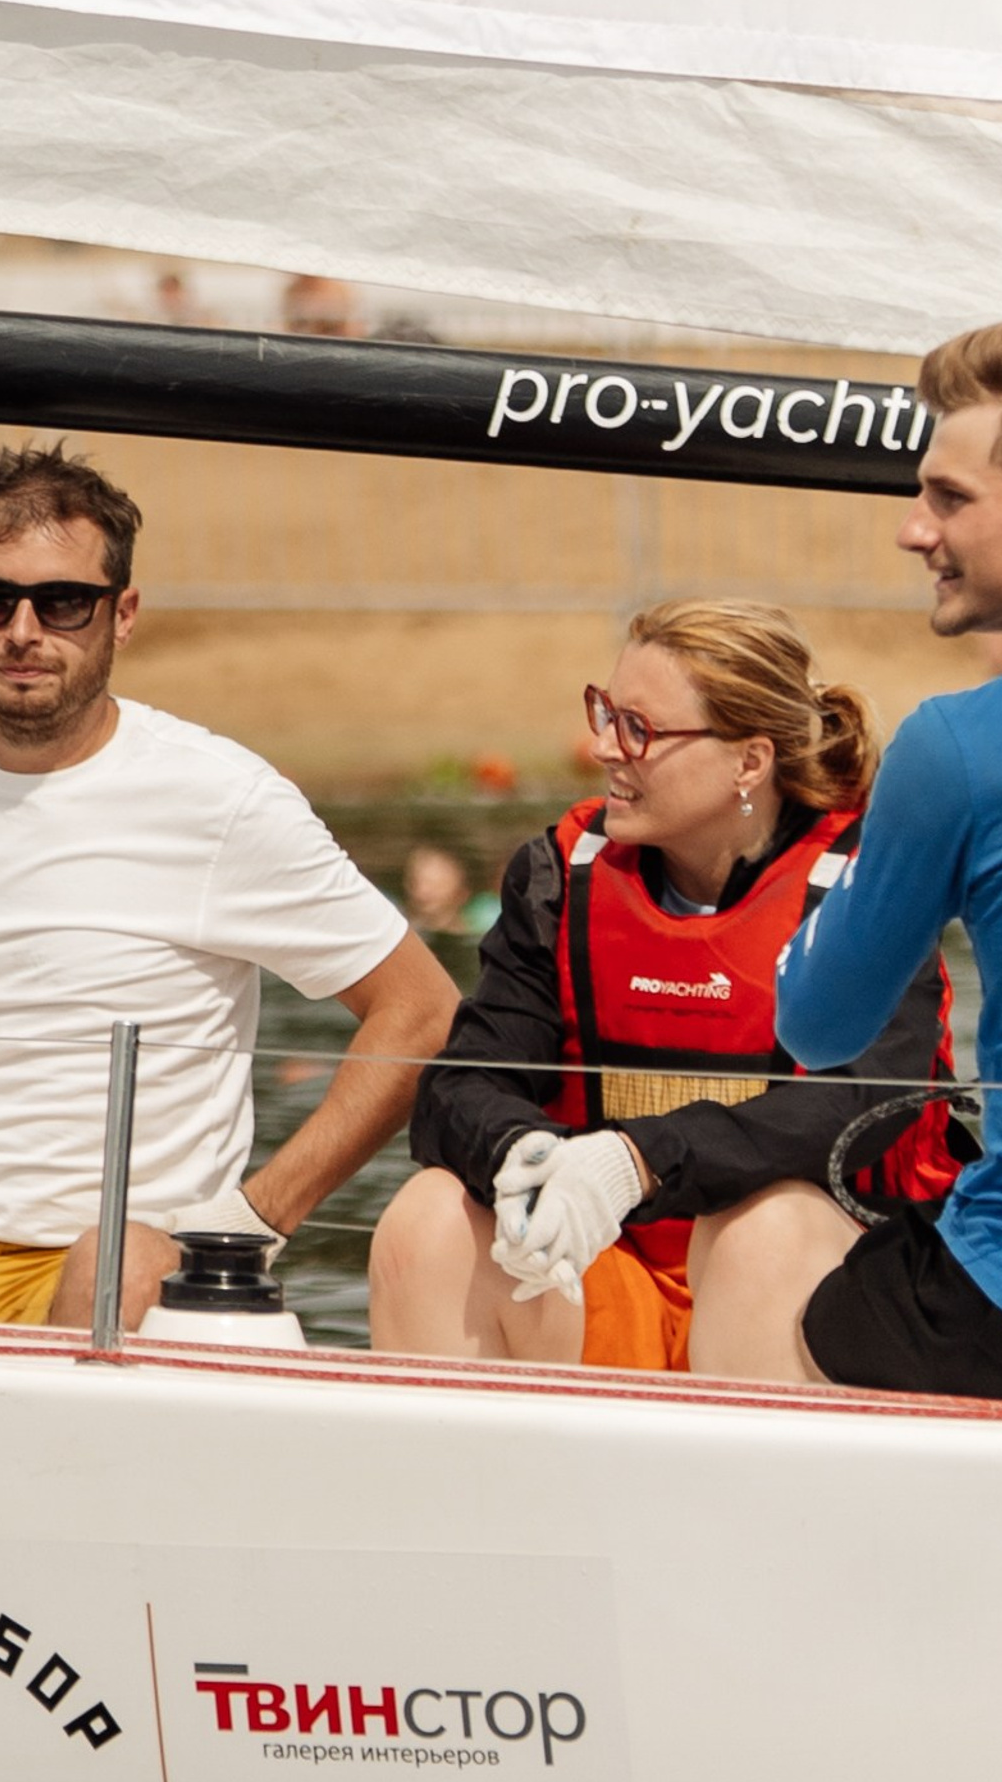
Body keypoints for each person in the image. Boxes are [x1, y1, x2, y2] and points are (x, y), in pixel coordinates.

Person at [0, 444, 457, 1328]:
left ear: (122, 614)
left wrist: (255, 1218)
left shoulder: (221, 797)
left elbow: (420, 1007)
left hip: (119, 1266)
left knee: (114, 1259)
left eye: (61, 603)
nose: (21, 631)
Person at [371, 601, 962, 1378]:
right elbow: (465, 1081)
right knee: (427, 1219)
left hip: (817, 1288)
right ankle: (483, 1491)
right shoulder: (560, 876)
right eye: (605, 712)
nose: (602, 747)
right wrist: (522, 1152)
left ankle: (769, 1492)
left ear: (749, 762)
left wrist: (635, 1161)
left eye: (639, 729)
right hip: (602, 1271)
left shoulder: (862, 883)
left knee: (760, 1234)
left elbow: (854, 1106)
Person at [778, 326, 1002, 1395]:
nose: (915, 531)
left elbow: (815, 1024)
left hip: (985, 1306)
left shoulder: (955, 746)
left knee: (773, 1285)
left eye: (946, 497)